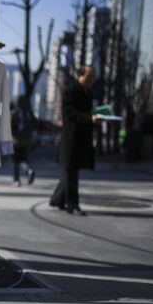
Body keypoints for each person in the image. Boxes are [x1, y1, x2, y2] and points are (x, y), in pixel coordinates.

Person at [49, 65, 99, 216]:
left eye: (93, 77)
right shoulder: (70, 91)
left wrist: (98, 115)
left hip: (82, 139)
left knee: (70, 172)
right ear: (80, 75)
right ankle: (72, 204)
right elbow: (70, 113)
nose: (91, 80)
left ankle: (57, 200)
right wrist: (90, 118)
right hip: (71, 138)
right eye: (89, 76)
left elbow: (87, 113)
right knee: (71, 172)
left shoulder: (88, 93)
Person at [10, 95, 36, 186]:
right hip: (27, 141)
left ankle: (16, 180)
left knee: (16, 161)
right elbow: (35, 124)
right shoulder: (29, 112)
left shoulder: (14, 113)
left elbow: (10, 127)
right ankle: (29, 170)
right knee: (23, 159)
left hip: (16, 141)